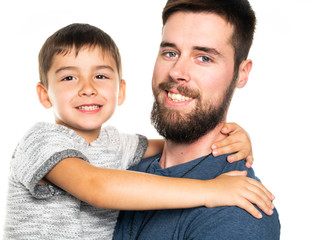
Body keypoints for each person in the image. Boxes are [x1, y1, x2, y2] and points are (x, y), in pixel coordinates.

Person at [4, 23, 274, 240]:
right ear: (43, 94)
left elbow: (169, 145)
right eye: (68, 78)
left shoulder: (114, 143)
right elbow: (96, 186)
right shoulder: (41, 140)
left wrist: (231, 137)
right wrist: (209, 191)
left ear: (120, 91)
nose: (87, 88)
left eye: (100, 76)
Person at [113, 0, 281, 239]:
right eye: (170, 53)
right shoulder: (117, 165)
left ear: (241, 74)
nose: (177, 71)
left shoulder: (237, 212)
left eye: (204, 58)